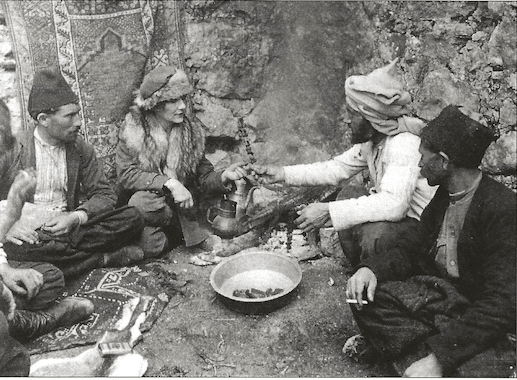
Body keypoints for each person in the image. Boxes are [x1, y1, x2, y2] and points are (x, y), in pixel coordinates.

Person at [344, 105, 516, 377]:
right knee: (363, 298)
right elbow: (410, 247)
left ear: (444, 161)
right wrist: (370, 270)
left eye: (423, 158)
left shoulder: (502, 209)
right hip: (441, 301)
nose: (419, 165)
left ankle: (420, 359)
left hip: (477, 314)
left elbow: (500, 304)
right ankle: (428, 359)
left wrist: (439, 359)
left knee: (482, 368)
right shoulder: (444, 195)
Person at [252, 59, 436, 265]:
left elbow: (394, 205)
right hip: (401, 221)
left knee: (374, 233)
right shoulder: (372, 142)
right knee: (348, 194)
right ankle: (362, 269)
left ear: (371, 117)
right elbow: (335, 169)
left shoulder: (404, 144)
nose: (346, 120)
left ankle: (381, 280)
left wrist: (328, 211)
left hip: (421, 232)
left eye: (351, 114)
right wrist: (282, 173)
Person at [0, 68, 146, 278]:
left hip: (68, 229)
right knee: (18, 247)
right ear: (43, 119)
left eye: (77, 113)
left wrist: (75, 217)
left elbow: (105, 195)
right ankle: (100, 259)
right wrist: (7, 226)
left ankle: (61, 260)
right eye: (69, 116)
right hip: (28, 234)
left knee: (133, 217)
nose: (78, 122)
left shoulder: (79, 149)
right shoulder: (14, 149)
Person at [0, 100, 93, 375]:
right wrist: (11, 214)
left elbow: (104, 195)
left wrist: (3, 270)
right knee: (14, 360)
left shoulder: (79, 149)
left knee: (49, 278)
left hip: (51, 230)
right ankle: (34, 321)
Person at [116, 66, 248, 255]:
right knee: (142, 207)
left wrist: (224, 177)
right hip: (153, 207)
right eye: (173, 100)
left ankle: (185, 232)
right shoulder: (133, 131)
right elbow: (126, 174)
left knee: (150, 242)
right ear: (155, 103)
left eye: (183, 98)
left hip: (184, 207)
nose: (182, 106)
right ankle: (187, 233)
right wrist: (169, 183)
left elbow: (204, 177)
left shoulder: (190, 131)